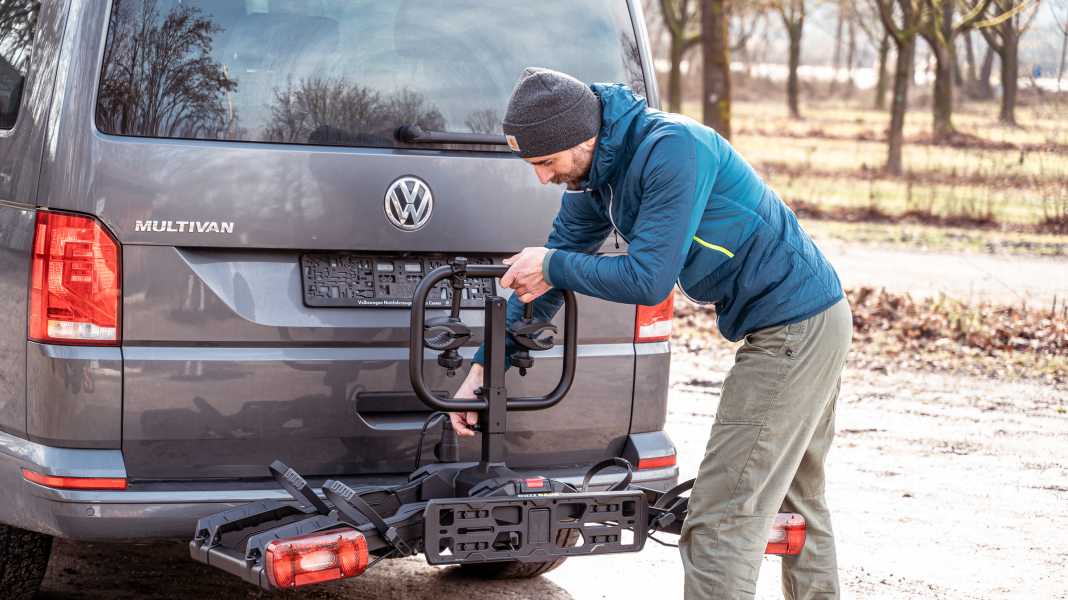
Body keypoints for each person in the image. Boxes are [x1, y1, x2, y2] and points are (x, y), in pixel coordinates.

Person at [449, 67, 852, 600]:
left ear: (583, 138)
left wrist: (553, 265)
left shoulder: (673, 149)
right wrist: (483, 366)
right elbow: (544, 281)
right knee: (798, 500)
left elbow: (647, 278)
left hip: (794, 329)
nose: (541, 179)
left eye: (545, 163)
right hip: (804, 323)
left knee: (721, 517)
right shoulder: (596, 178)